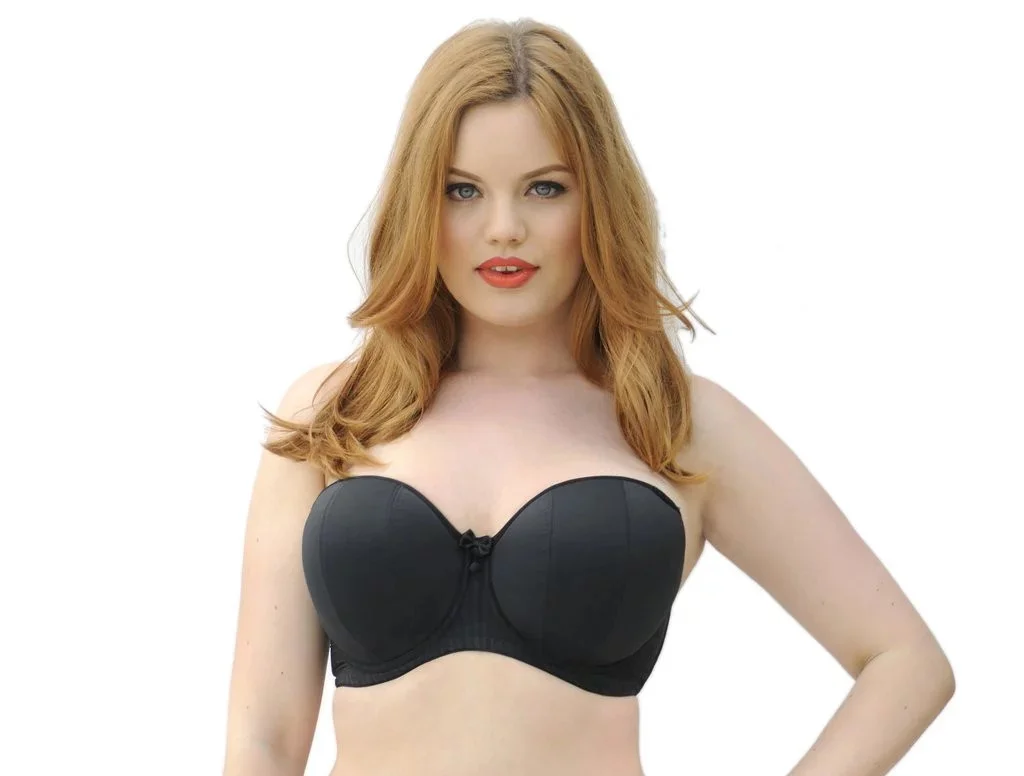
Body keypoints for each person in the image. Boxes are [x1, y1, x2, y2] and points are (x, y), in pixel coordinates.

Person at [222, 17, 955, 776]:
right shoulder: (332, 416)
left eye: (544, 188)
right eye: (462, 190)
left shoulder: (674, 423)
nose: (503, 229)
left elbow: (905, 662)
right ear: (420, 204)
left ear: (596, 200)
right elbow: (263, 741)